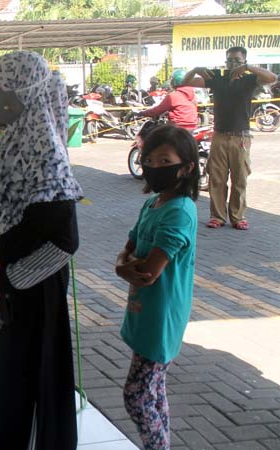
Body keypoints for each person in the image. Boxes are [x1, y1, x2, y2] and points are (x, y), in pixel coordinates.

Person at [0, 51, 83, 449]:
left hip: (32, 303)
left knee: (26, 392)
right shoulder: (16, 144)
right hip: (3, 296)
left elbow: (63, 244)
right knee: (4, 391)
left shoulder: (47, 156)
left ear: (22, 92)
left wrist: (3, 282)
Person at [115, 125, 200, 450]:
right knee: (153, 390)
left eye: (165, 160)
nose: (154, 167)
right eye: (149, 159)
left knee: (136, 397)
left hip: (161, 316)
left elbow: (147, 273)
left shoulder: (180, 212)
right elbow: (130, 246)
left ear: (187, 167)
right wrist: (124, 264)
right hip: (145, 311)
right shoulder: (153, 205)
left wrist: (124, 266)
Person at [182, 46, 277, 230]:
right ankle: (217, 216)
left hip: (240, 137)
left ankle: (238, 216)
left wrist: (248, 68)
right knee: (217, 177)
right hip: (219, 135)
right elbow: (182, 83)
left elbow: (272, 78)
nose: (232, 64)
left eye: (237, 61)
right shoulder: (218, 78)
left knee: (240, 178)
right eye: (230, 60)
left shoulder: (250, 79)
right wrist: (195, 70)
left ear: (244, 61)